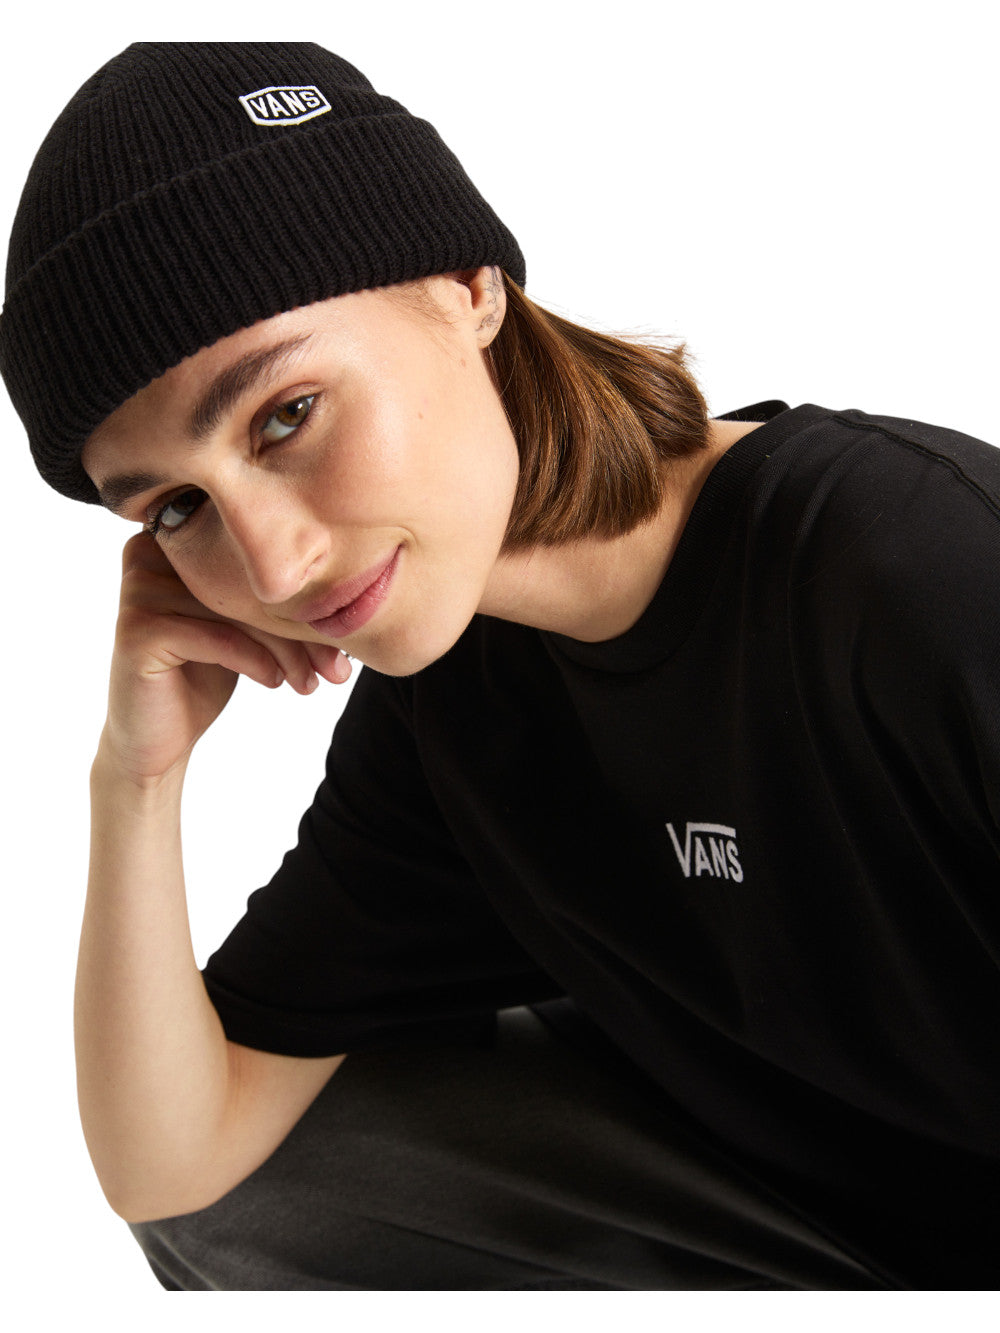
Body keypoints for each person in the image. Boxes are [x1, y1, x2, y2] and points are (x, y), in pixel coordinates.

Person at [1, 41, 997, 1292]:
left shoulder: (918, 572)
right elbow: (180, 1173)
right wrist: (134, 778)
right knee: (284, 1177)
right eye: (177, 508)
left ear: (468, 286)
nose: (273, 561)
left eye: (287, 414)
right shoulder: (454, 713)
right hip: (839, 1249)